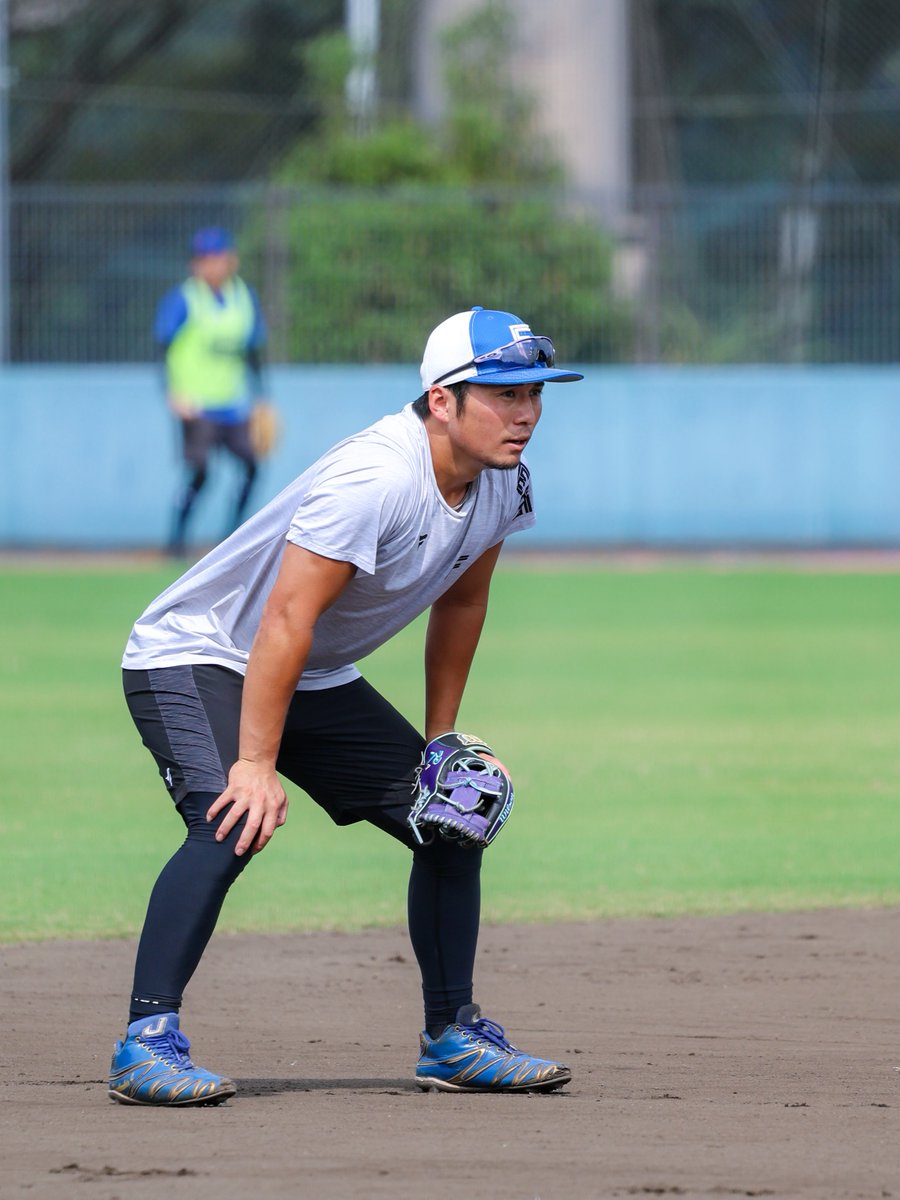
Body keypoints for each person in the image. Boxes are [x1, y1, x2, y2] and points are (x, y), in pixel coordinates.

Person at [108, 306, 584, 1107]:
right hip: (196, 655)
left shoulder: (503, 480)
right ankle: (145, 1043)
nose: (526, 412)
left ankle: (452, 1036)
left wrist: (441, 744)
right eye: (504, 394)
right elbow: (284, 621)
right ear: (442, 400)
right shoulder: (376, 478)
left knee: (452, 814)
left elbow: (463, 602)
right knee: (232, 819)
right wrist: (255, 763)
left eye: (534, 392)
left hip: (312, 672)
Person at [154, 226, 270, 556]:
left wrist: (261, 396)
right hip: (196, 404)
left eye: (217, 257)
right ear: (195, 264)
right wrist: (171, 392)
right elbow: (162, 347)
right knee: (201, 473)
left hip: (233, 404)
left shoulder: (244, 296)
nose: (211, 265)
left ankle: (230, 538)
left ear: (231, 260)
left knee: (251, 466)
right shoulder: (185, 298)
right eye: (204, 259)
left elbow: (252, 351)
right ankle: (175, 543)